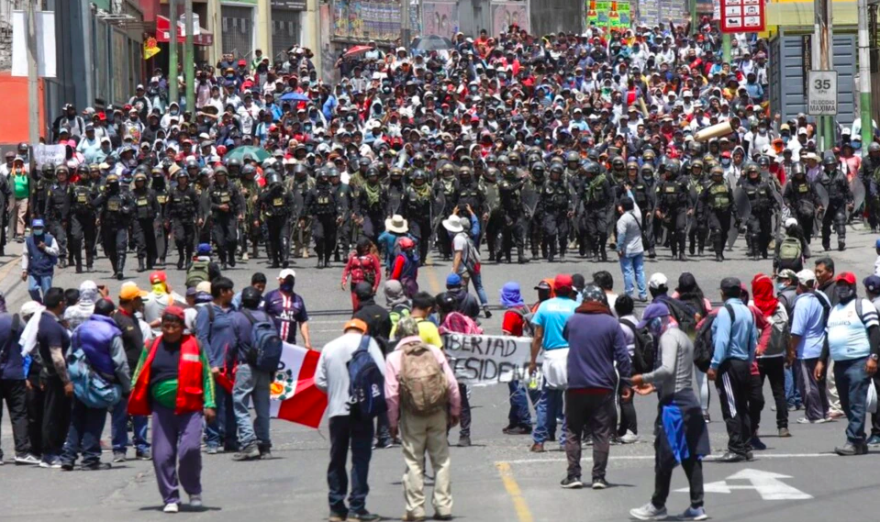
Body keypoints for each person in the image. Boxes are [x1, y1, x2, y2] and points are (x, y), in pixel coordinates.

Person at [128, 306, 216, 513]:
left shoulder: (195, 345)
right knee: (162, 455)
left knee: (190, 450)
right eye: (166, 326)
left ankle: (193, 490)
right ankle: (171, 497)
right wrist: (133, 396)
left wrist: (210, 404)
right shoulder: (151, 346)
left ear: (182, 327)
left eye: (174, 326)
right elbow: (139, 373)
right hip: (162, 409)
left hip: (191, 407)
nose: (169, 330)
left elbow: (207, 377)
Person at [629, 303, 709, 522]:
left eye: (650, 325)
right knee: (690, 455)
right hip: (687, 399)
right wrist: (654, 387)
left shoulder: (668, 337)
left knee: (664, 454)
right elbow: (678, 372)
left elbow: (668, 369)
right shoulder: (683, 336)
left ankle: (657, 504)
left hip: (674, 405)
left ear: (659, 320)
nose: (650, 330)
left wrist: (643, 378)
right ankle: (697, 505)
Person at [384, 317, 461, 522]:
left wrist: (392, 423)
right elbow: (451, 383)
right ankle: (443, 507)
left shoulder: (394, 358)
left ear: (399, 334)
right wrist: (455, 409)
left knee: (414, 463)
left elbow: (391, 394)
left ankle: (415, 510)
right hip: (437, 412)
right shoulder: (434, 352)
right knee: (441, 460)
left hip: (411, 415)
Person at [560, 284, 632, 490]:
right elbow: (622, 356)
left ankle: (573, 475)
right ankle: (599, 477)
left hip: (576, 384)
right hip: (603, 386)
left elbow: (566, 337)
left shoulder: (573, 321)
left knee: (573, 430)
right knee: (601, 432)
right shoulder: (611, 323)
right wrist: (626, 382)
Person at [315, 318, 386, 522]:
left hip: (337, 411)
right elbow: (381, 373)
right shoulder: (369, 343)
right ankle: (357, 507)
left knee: (337, 458)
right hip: (362, 410)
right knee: (360, 458)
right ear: (363, 331)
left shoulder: (329, 347)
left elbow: (318, 380)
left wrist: (335, 391)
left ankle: (336, 508)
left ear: (345, 330)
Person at [61, 299, 131, 471]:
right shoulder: (112, 331)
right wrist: (127, 386)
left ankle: (68, 457)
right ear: (111, 313)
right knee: (95, 418)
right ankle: (90, 458)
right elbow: (120, 363)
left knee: (77, 418)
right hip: (101, 383)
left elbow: (69, 354)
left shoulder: (80, 329)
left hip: (79, 380)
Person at [816, 272, 880, 455]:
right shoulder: (835, 309)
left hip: (859, 362)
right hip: (840, 364)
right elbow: (828, 336)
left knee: (856, 402)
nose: (842, 289)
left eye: (846, 285)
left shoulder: (863, 305)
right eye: (840, 285)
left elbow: (875, 331)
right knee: (845, 403)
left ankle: (852, 440)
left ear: (852, 288)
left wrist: (873, 357)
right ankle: (859, 441)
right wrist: (821, 360)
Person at [707, 277, 758, 462]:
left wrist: (714, 364)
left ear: (723, 292)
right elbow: (753, 340)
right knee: (742, 406)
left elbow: (722, 340)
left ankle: (736, 447)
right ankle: (746, 446)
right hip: (744, 363)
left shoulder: (724, 312)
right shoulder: (747, 311)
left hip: (729, 364)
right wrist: (750, 360)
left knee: (731, 407)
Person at [527, 274, 579, 452]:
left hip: (551, 356)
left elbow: (538, 336)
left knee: (546, 400)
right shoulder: (576, 307)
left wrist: (532, 361)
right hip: (571, 356)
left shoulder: (544, 307)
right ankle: (565, 440)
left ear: (554, 289)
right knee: (571, 400)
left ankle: (539, 440)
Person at [230, 286, 275, 460]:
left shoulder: (237, 318)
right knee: (263, 407)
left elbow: (232, 345)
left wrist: (227, 364)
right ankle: (264, 444)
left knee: (240, 405)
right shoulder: (266, 317)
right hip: (264, 367)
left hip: (245, 366)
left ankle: (248, 443)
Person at [195, 276, 239, 454]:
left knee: (233, 405)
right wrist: (211, 363)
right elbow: (202, 338)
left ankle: (231, 439)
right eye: (230, 290)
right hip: (215, 367)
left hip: (232, 368)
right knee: (214, 403)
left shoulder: (234, 310)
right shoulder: (207, 311)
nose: (233, 293)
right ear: (222, 292)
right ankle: (213, 439)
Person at [111, 283, 152, 461]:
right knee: (121, 412)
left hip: (138, 372)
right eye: (139, 299)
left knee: (140, 411)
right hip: (122, 375)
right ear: (132, 300)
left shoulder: (134, 318)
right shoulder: (117, 319)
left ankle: (141, 446)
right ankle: (119, 448)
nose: (142, 302)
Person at [0, 292, 40, 465]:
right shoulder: (14, 321)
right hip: (15, 374)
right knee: (18, 413)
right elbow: (28, 344)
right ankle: (22, 452)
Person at [750, 274, 792, 439]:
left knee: (755, 394)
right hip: (776, 355)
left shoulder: (752, 306)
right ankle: (783, 426)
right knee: (779, 392)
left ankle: (753, 426)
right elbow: (786, 332)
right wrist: (789, 352)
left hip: (757, 356)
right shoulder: (779, 307)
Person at [34, 288, 71, 468]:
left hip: (50, 375)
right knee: (53, 415)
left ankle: (55, 449)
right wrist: (66, 381)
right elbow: (57, 357)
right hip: (55, 377)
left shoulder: (48, 322)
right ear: (60, 303)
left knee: (59, 414)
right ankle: (49, 453)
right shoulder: (52, 326)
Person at [789, 269, 831, 424]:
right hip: (821, 347)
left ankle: (814, 414)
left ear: (801, 284)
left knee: (808, 384)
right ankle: (824, 411)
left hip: (806, 349)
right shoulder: (822, 296)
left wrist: (792, 350)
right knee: (819, 382)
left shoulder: (802, 302)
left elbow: (797, 331)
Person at [501, 282, 538, 435]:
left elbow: (507, 337)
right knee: (520, 387)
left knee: (517, 389)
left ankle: (523, 422)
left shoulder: (510, 314)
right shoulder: (525, 308)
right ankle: (514, 419)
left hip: (515, 355)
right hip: (527, 352)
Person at [446, 213, 491, 318]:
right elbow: (476, 226)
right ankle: (486, 307)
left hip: (463, 268)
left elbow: (458, 256)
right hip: (473, 264)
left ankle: (464, 311)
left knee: (463, 291)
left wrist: (453, 271)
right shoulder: (470, 235)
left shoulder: (458, 238)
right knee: (479, 287)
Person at [614, 295, 640, 443]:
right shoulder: (637, 321)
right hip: (637, 362)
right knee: (626, 396)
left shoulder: (620, 325)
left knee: (625, 398)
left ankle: (632, 430)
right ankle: (623, 428)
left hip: (626, 363)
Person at [264, 269, 312, 348]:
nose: (288, 282)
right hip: (272, 344)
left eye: (290, 280)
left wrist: (307, 342)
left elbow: (303, 322)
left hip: (290, 346)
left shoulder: (298, 300)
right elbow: (260, 316)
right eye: (285, 280)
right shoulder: (270, 296)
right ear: (279, 280)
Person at [616, 196, 647, 301]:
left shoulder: (623, 219)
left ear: (622, 207)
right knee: (640, 271)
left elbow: (621, 235)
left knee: (628, 272)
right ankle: (643, 294)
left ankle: (629, 294)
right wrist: (628, 190)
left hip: (627, 250)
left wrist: (619, 248)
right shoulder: (638, 213)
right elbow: (633, 199)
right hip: (639, 248)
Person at [21, 219, 59, 303]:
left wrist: (45, 248)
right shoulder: (29, 240)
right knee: (32, 289)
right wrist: (24, 270)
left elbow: (56, 252)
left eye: (39, 227)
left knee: (46, 292)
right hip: (33, 270)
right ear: (32, 228)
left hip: (46, 269)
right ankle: (38, 303)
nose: (38, 229)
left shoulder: (50, 238)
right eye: (36, 228)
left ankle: (46, 308)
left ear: (43, 228)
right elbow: (25, 255)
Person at [342, 238, 382, 312]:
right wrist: (344, 280)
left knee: (365, 306)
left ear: (366, 247)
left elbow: (378, 272)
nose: (358, 247)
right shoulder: (353, 256)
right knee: (355, 306)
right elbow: (347, 269)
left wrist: (375, 286)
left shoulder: (372, 258)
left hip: (365, 284)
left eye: (361, 246)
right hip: (354, 284)